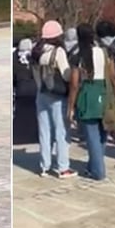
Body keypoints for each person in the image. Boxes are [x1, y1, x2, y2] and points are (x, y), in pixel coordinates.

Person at [67, 23, 115, 181]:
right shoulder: (105, 52)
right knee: (103, 132)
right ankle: (94, 165)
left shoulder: (79, 55)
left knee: (91, 135)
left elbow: (74, 84)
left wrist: (71, 106)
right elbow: (113, 76)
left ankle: (98, 170)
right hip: (103, 91)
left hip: (88, 93)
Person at [30, 21, 73, 178]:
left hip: (40, 94)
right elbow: (66, 74)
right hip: (57, 95)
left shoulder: (36, 52)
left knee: (44, 131)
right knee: (61, 131)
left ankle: (44, 166)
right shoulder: (58, 52)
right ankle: (63, 167)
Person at [12, 39, 38, 145]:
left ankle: (20, 137)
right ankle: (33, 137)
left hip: (21, 90)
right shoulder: (34, 57)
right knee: (33, 116)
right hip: (34, 89)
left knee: (21, 115)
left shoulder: (15, 59)